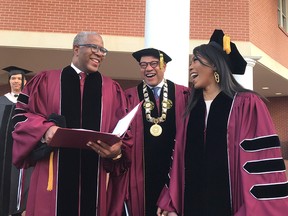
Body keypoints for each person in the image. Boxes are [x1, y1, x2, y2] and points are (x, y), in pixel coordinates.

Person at [157, 29, 288, 216]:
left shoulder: (247, 105)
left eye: (195, 60)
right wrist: (171, 202)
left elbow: (262, 163)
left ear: (214, 65)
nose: (190, 67)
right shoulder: (192, 110)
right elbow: (178, 158)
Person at [11, 31, 131, 216]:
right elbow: (20, 116)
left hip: (95, 179)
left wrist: (117, 151)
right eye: (94, 47)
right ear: (76, 49)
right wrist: (45, 130)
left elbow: (125, 132)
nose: (100, 53)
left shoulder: (111, 89)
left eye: (103, 50)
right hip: (53, 177)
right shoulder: (46, 81)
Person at [124, 48, 189, 216]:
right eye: (143, 65)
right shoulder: (129, 96)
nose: (148, 69)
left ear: (164, 66)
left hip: (174, 170)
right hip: (140, 172)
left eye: (154, 64)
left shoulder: (183, 94)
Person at [0, 66, 33, 216]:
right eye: (13, 78)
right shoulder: (2, 101)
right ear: (9, 81)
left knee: (22, 179)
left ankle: (19, 209)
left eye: (19, 78)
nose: (16, 81)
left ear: (24, 81)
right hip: (3, 150)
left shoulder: (30, 102)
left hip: (22, 150)